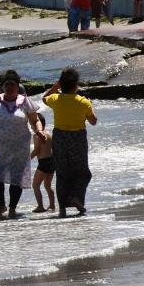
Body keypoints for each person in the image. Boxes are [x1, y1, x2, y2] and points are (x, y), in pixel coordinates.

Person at [0, 70, 46, 220]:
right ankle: (1, 206)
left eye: (12, 85)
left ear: (18, 87)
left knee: (16, 179)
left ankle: (12, 208)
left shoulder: (24, 101)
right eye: (7, 84)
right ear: (3, 86)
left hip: (19, 147)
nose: (10, 87)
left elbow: (35, 119)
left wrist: (39, 131)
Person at [42, 68, 98, 218]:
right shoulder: (83, 102)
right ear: (76, 85)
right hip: (77, 139)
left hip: (59, 138)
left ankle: (62, 208)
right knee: (82, 173)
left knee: (62, 173)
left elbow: (44, 98)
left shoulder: (55, 99)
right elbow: (93, 121)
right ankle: (76, 198)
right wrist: (90, 107)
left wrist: (55, 87)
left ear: (62, 84)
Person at [30, 112, 55, 213]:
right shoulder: (49, 134)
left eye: (31, 124)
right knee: (47, 185)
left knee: (35, 185)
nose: (31, 126)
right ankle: (52, 205)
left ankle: (40, 206)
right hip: (52, 161)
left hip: (43, 162)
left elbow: (36, 150)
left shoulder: (36, 136)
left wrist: (27, 160)